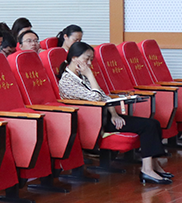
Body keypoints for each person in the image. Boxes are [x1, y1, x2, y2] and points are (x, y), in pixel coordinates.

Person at [57, 42, 171, 185]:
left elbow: (105, 97)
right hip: (92, 122)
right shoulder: (67, 81)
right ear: (74, 58)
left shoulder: (82, 76)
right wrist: (90, 75)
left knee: (153, 123)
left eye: (91, 59)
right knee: (148, 126)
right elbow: (96, 97)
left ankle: (154, 165)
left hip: (105, 116)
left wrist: (115, 114)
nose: (90, 63)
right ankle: (146, 170)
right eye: (87, 59)